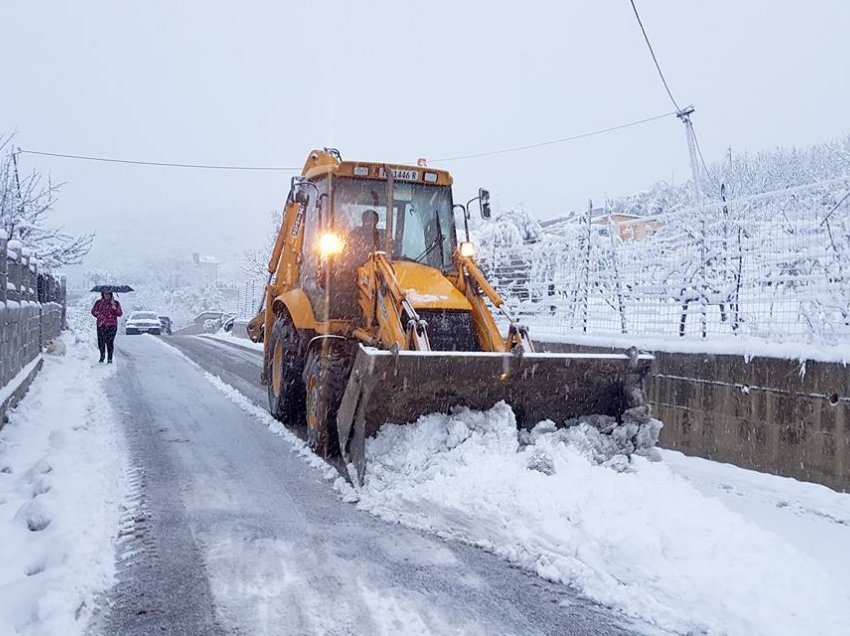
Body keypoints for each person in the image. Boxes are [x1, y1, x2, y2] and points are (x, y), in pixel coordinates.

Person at [91, 291, 123, 363]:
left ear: (111, 294)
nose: (107, 295)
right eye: (105, 294)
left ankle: (110, 358)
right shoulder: (99, 302)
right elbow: (93, 311)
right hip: (101, 325)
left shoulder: (116, 303)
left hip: (112, 325)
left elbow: (120, 313)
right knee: (101, 342)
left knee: (110, 342)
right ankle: (102, 357)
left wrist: (114, 308)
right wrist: (99, 315)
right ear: (102, 294)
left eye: (108, 294)